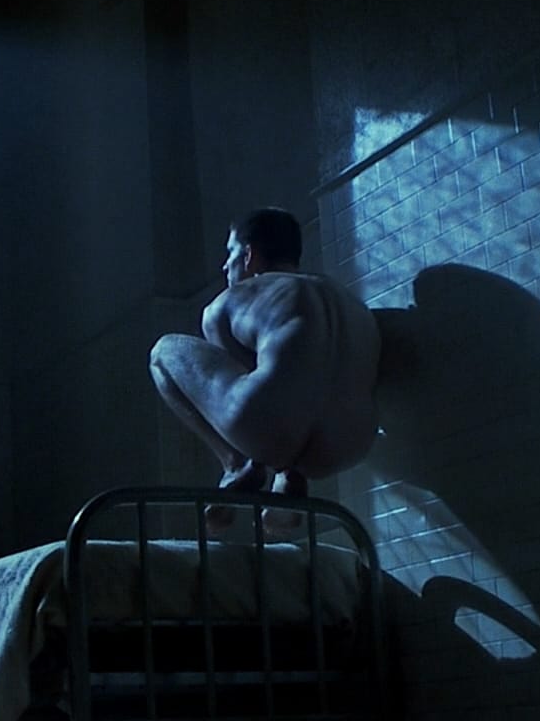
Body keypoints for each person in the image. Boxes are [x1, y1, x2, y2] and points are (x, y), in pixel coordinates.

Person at [149, 206, 381, 501]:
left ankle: (236, 465)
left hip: (272, 429)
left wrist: (262, 449)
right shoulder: (350, 302)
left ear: (249, 255)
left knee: (163, 352)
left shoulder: (237, 297)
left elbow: (238, 369)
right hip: (350, 444)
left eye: (230, 253)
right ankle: (289, 474)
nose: (225, 266)